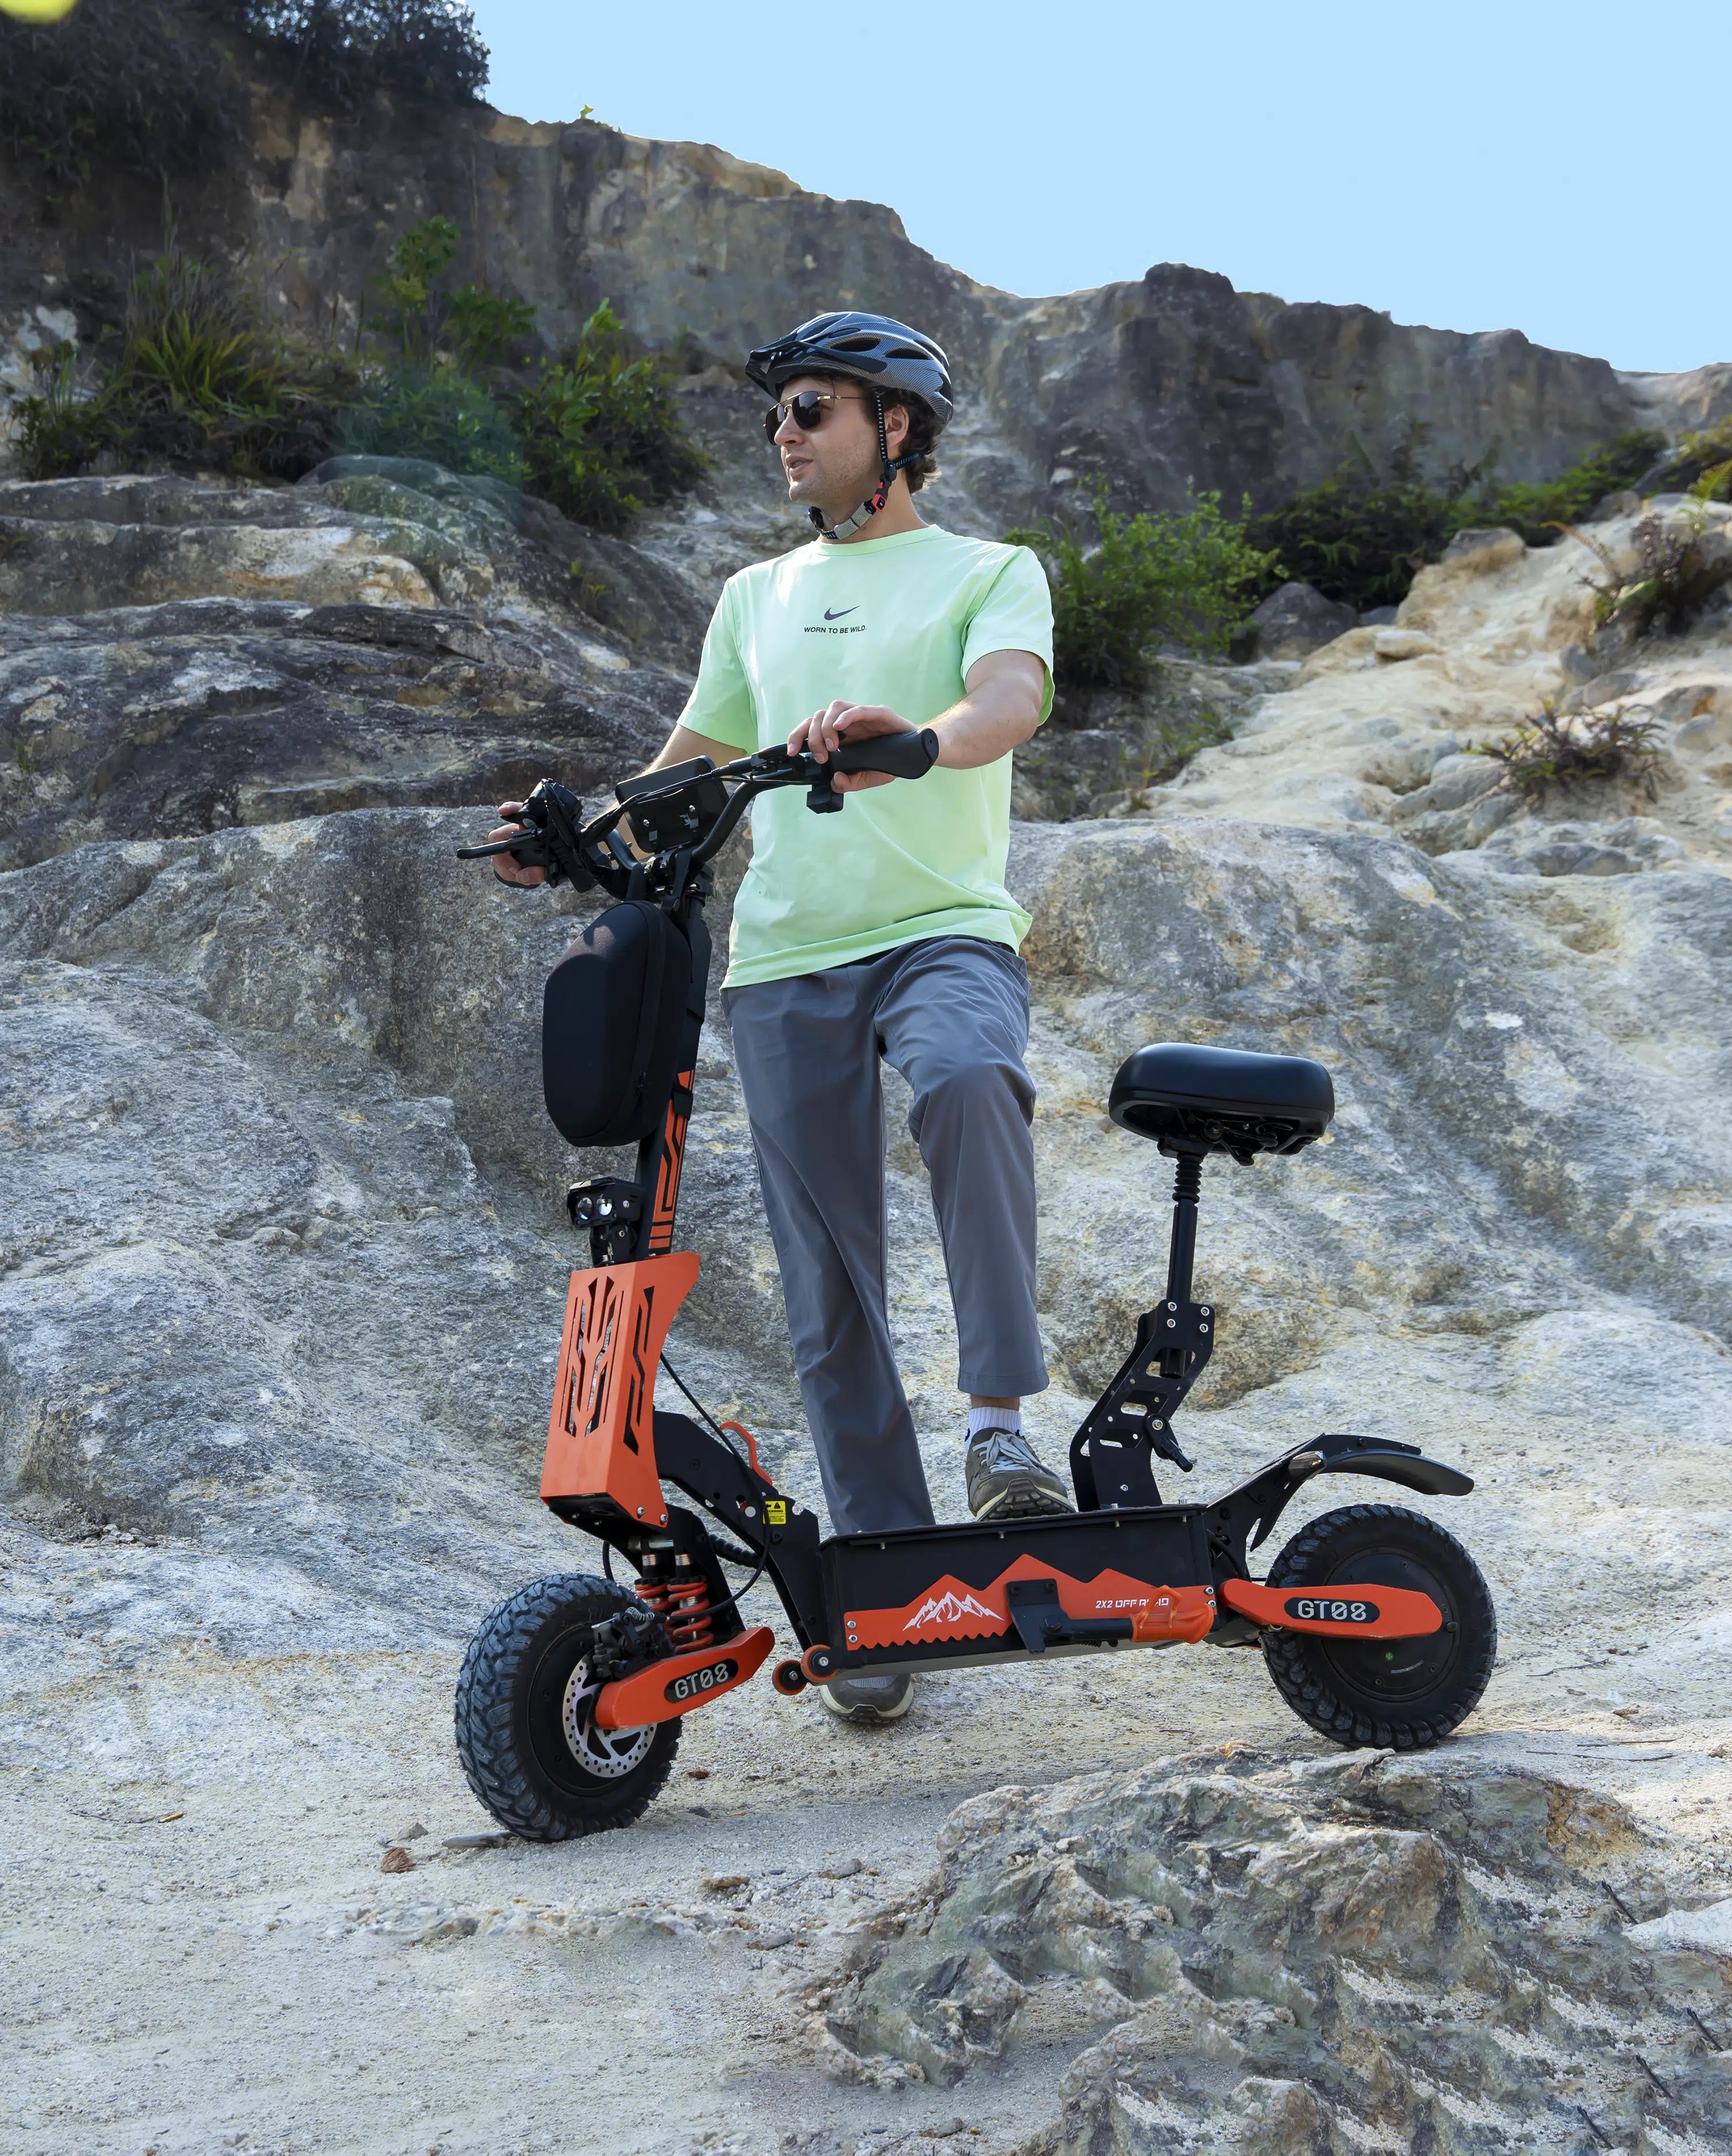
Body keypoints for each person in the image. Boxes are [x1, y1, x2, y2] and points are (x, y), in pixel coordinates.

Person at [487, 311, 1071, 1724]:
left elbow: (1007, 701)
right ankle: (883, 1597)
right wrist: (574, 829)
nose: (784, 433)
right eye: (777, 415)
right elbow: (688, 760)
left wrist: (917, 743)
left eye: (812, 408)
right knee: (828, 1282)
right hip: (786, 959)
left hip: (942, 928)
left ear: (897, 428)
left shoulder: (989, 570)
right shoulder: (756, 594)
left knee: (969, 1078)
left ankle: (1000, 1426)